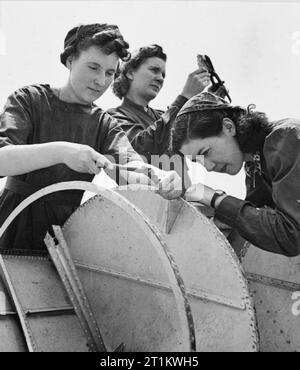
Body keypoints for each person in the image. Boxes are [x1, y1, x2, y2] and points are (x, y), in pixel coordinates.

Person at [0, 24, 182, 255]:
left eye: (109, 73)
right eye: (93, 67)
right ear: (70, 60)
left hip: (67, 238)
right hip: (11, 226)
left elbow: (130, 168)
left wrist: (160, 178)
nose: (101, 81)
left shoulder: (103, 124)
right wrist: (64, 153)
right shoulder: (28, 100)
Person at [170, 91, 300, 257]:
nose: (208, 167)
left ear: (228, 127)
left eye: (206, 152)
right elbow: (257, 219)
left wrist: (216, 198)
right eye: (197, 161)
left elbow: (292, 235)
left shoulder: (285, 139)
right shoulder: (254, 162)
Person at [107, 44, 210, 161]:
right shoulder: (113, 118)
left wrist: (212, 100)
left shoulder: (162, 116)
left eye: (163, 75)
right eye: (154, 70)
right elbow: (142, 148)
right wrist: (185, 97)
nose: (160, 78)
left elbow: (196, 141)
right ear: (130, 73)